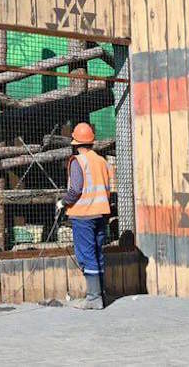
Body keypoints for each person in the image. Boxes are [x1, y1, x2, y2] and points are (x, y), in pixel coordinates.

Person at [55, 122, 113, 310]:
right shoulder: (102, 161)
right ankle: (101, 294)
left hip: (83, 215)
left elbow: (76, 189)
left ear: (75, 143)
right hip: (101, 214)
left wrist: (63, 202)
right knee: (97, 253)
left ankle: (94, 298)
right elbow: (107, 188)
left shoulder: (78, 161)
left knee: (87, 255)